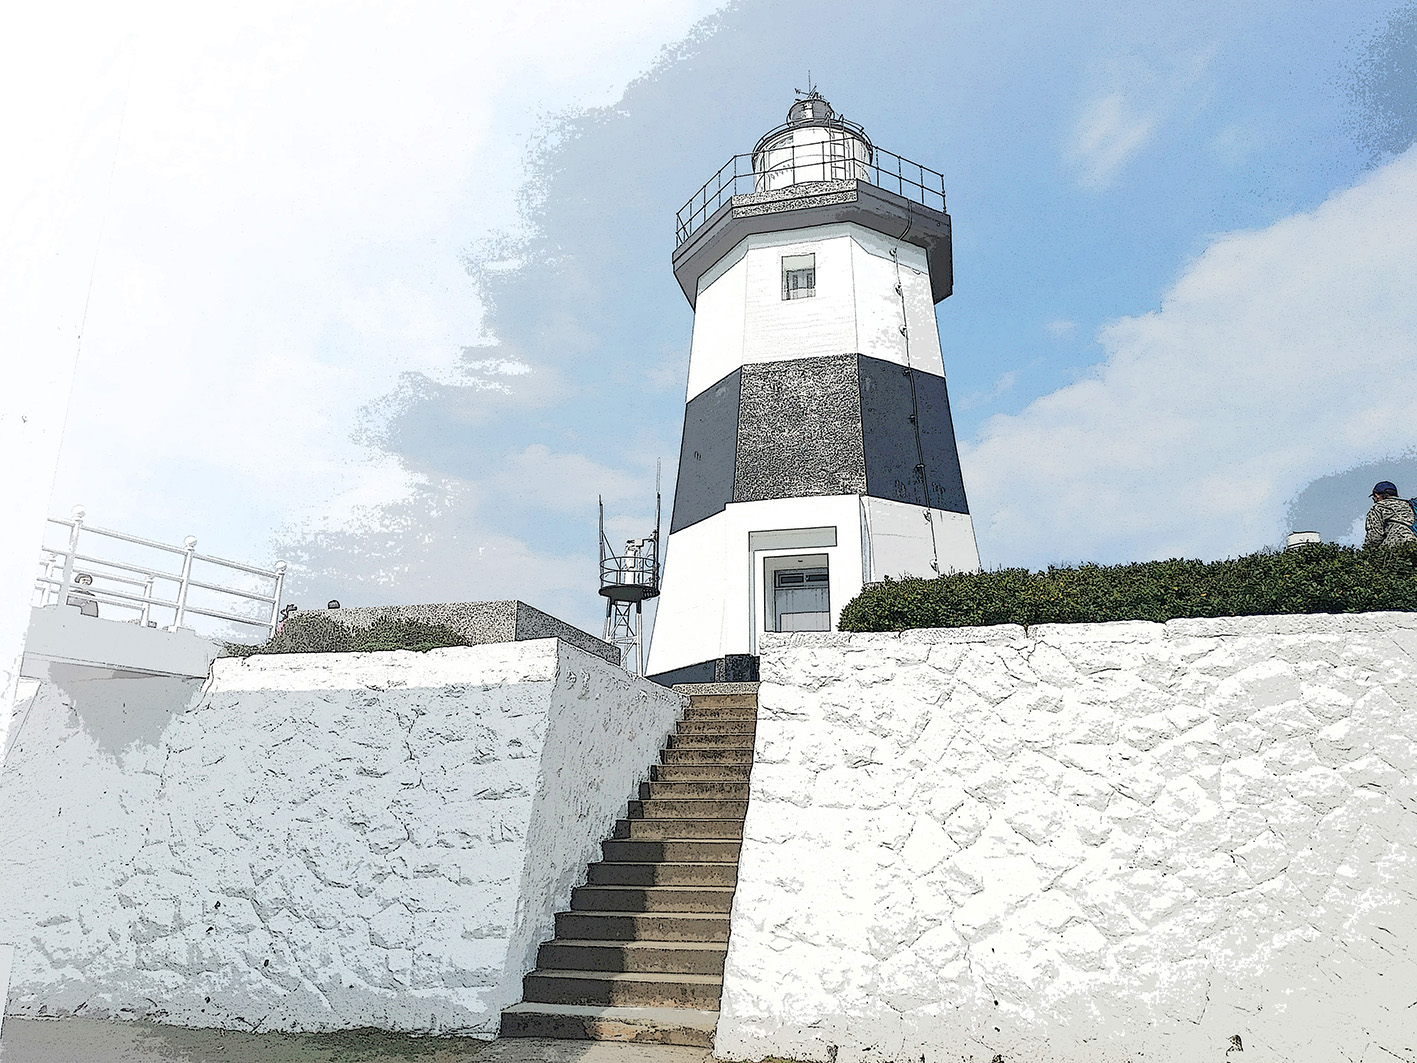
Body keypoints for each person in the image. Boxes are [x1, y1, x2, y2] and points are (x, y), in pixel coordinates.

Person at [1364, 482, 1417, 548]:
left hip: (1396, 542)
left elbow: (1374, 537)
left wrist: (1366, 553)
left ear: (1377, 495)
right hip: (1414, 542)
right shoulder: (1409, 504)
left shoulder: (1378, 507)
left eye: (1373, 497)